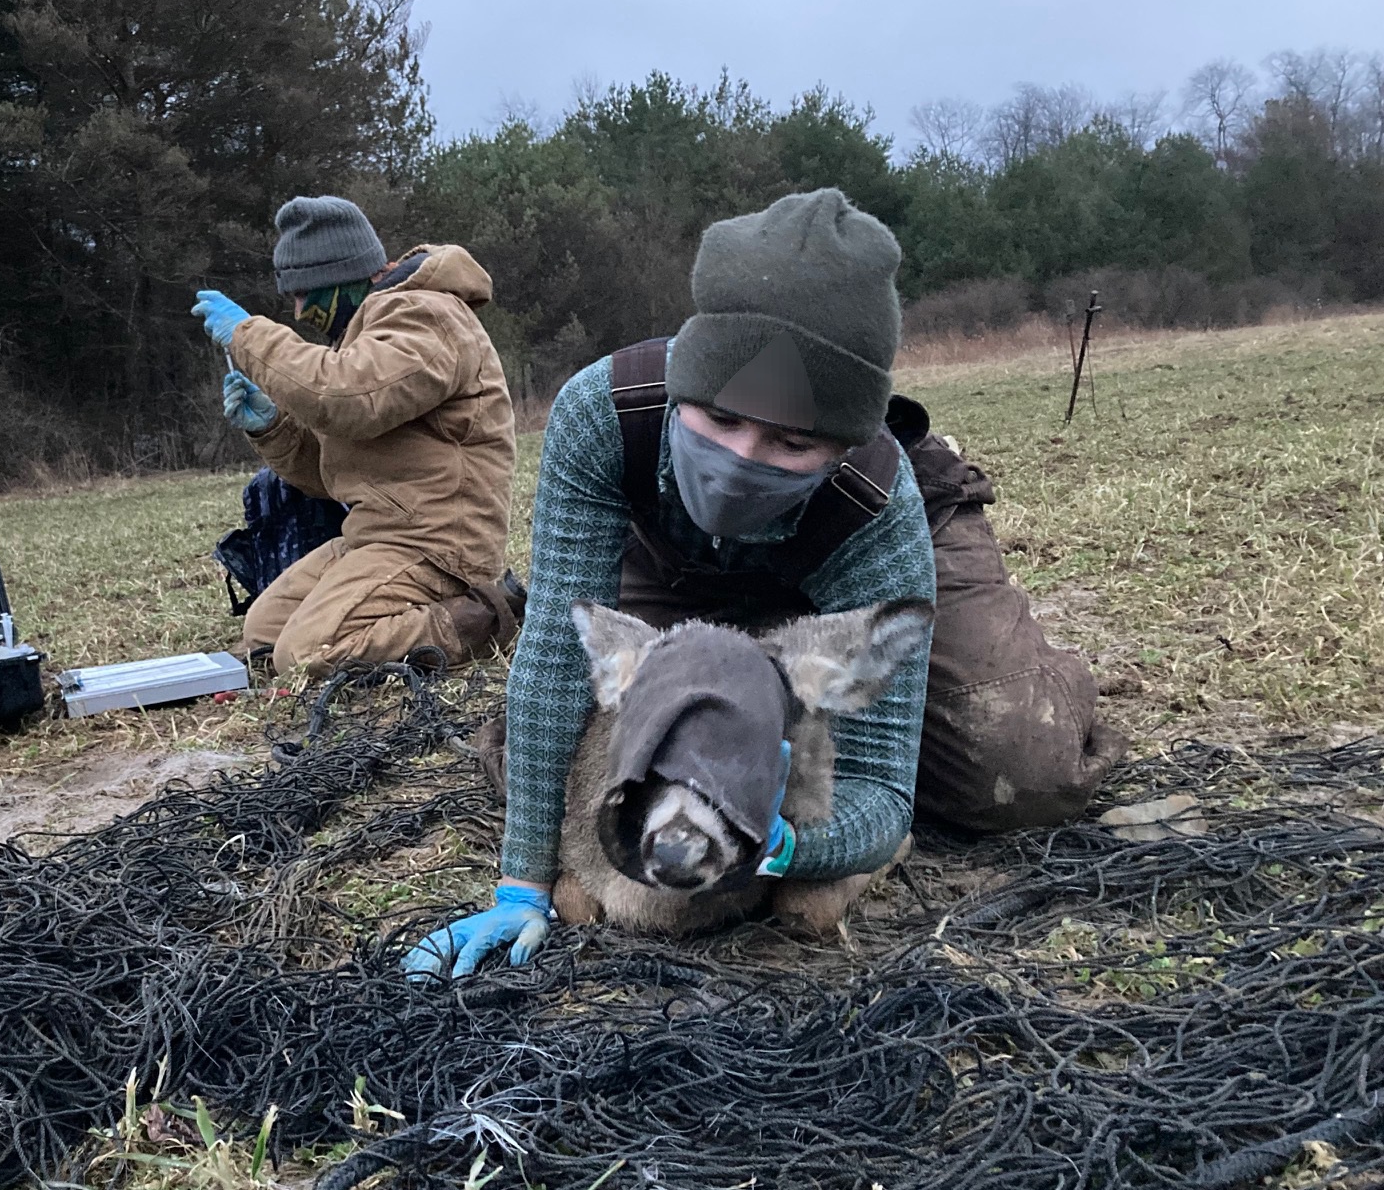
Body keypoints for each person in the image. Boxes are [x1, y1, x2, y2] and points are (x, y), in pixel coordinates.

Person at [408, 187, 1122, 979]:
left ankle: (1006, 687)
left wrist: (791, 846)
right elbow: (549, 660)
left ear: (843, 440)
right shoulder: (604, 414)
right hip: (676, 563)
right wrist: (522, 885)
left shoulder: (876, 502)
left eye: (789, 439)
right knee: (571, 746)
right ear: (685, 383)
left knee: (1017, 771)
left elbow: (882, 791)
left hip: (837, 568)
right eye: (718, 418)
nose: (743, 457)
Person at [192, 195, 521, 674]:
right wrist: (272, 427)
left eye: (305, 292)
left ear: (341, 276)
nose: (301, 310)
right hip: (376, 538)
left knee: (305, 655)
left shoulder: (426, 317)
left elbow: (346, 399)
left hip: (437, 545)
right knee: (264, 634)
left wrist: (248, 335)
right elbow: (333, 474)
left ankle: (487, 618)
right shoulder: (366, 336)